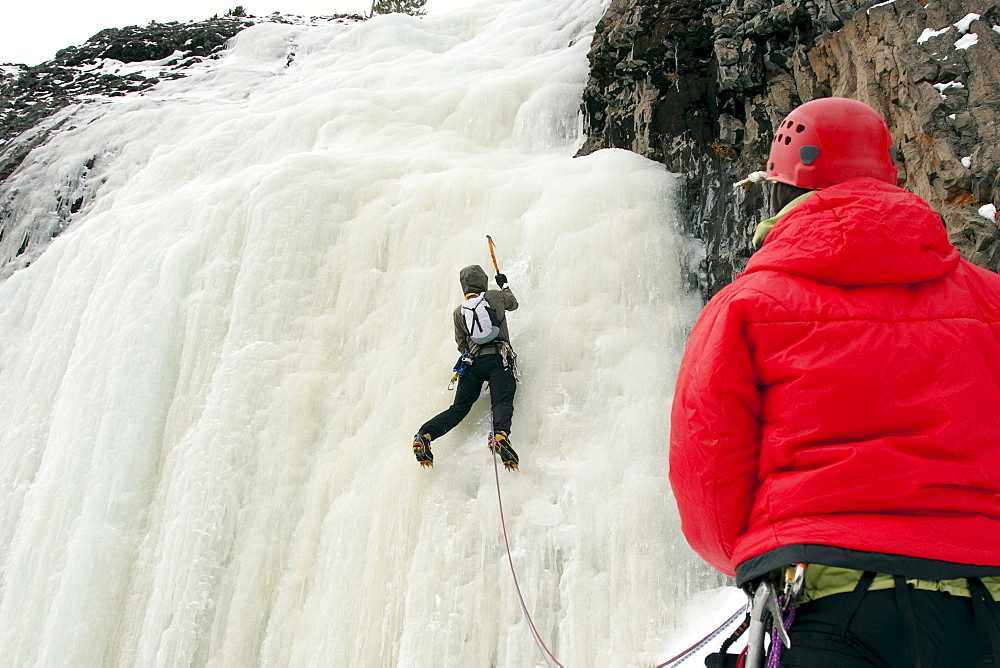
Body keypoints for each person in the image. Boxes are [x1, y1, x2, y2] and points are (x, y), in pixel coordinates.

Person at [669, 97, 1000, 667]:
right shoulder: (990, 299)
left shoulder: (747, 305)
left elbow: (709, 464)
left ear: (783, 190)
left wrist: (752, 554)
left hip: (829, 602)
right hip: (987, 599)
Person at [412, 264, 520, 470]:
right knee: (502, 400)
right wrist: (504, 284)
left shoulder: (458, 312)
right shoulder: (495, 297)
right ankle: (499, 435)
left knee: (459, 408)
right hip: (498, 359)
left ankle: (425, 434)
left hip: (472, 365)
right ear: (482, 282)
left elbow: (461, 345)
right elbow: (513, 304)